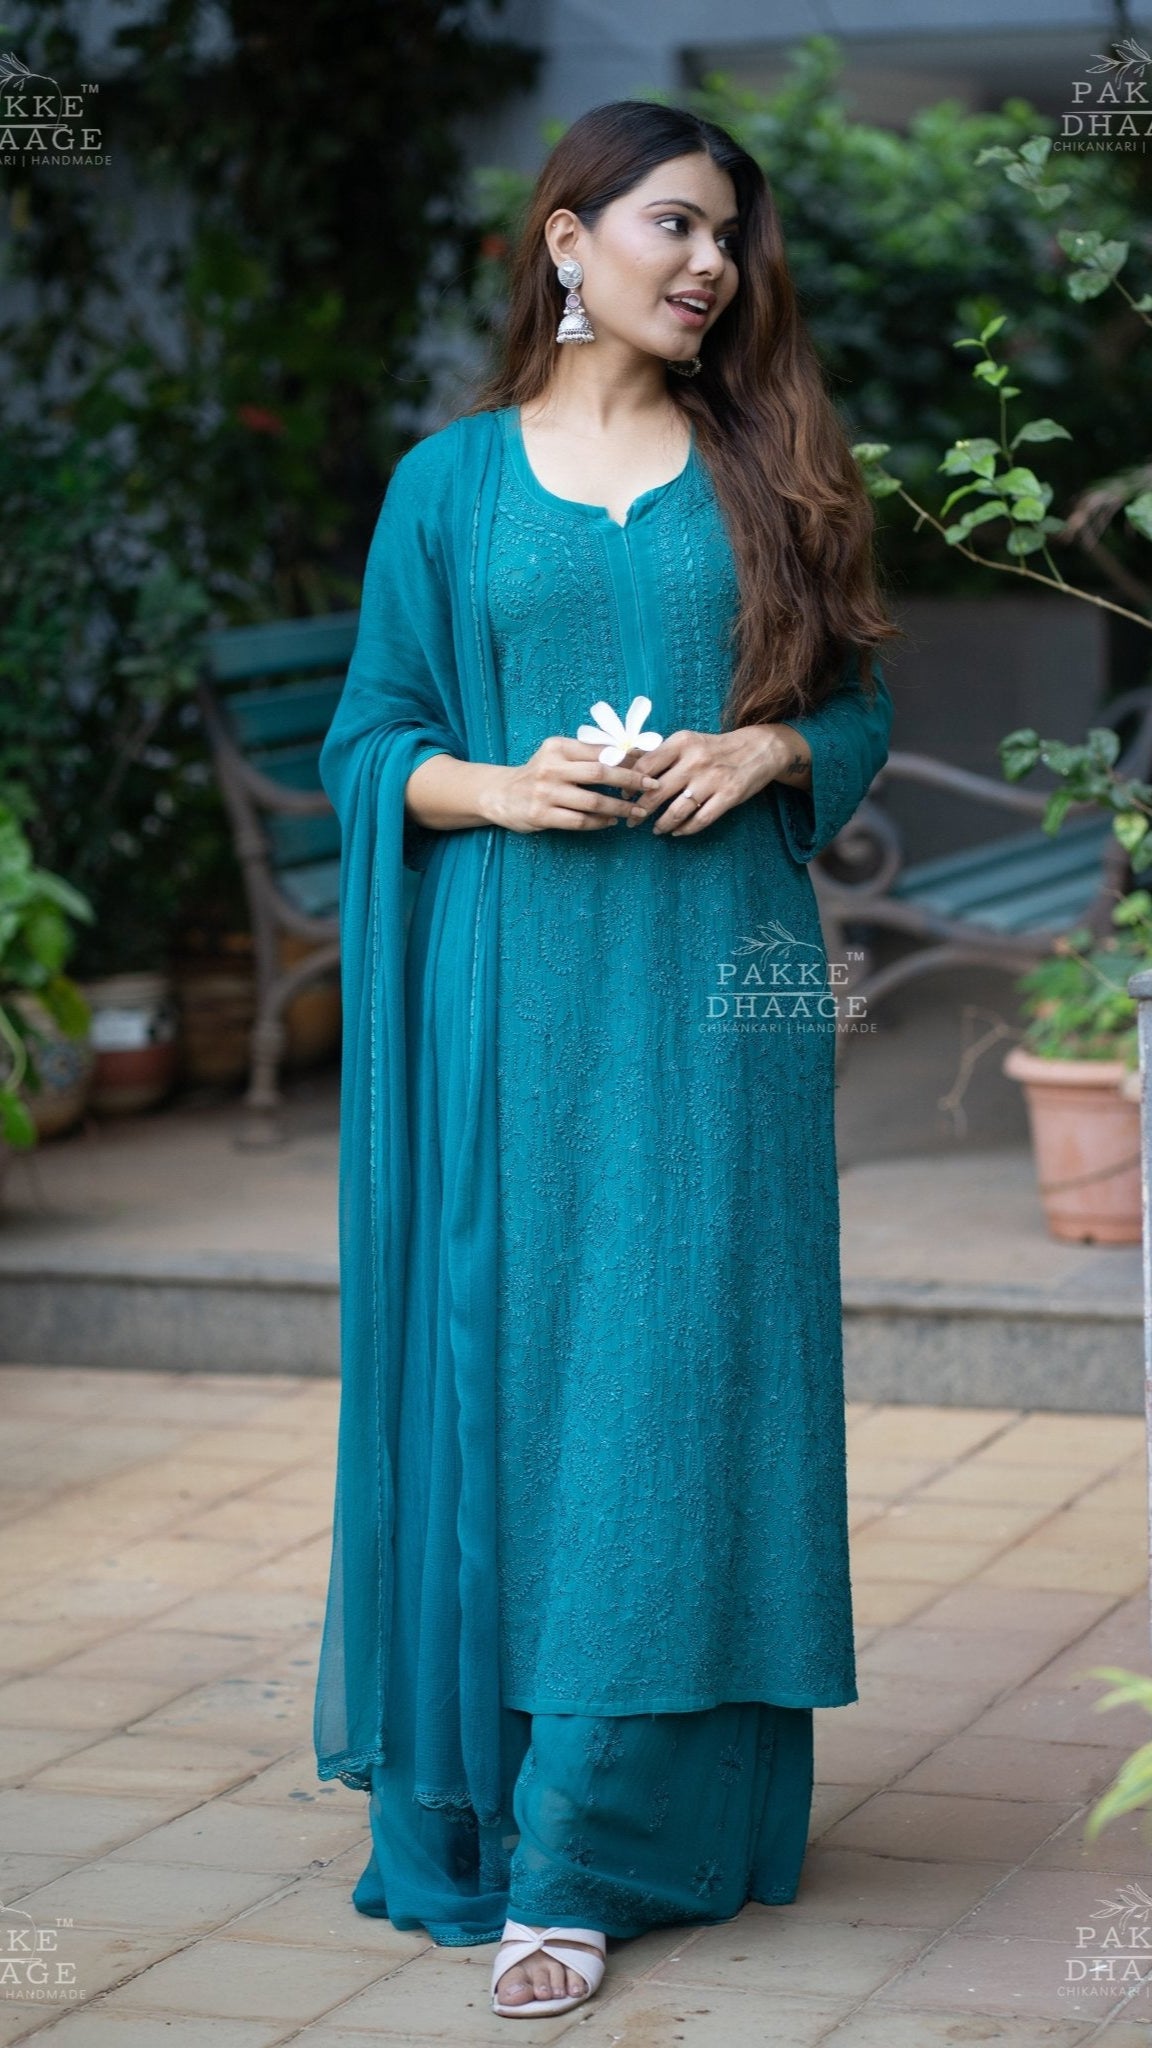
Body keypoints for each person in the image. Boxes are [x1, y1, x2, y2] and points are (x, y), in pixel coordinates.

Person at [313, 97, 898, 2024]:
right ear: (568, 240)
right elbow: (369, 741)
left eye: (729, 236)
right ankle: (513, 1811)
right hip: (509, 1001)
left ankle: (590, 1850)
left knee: (678, 1380)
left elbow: (857, 699)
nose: (710, 264)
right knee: (525, 1381)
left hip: (719, 1000)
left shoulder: (772, 469)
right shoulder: (449, 485)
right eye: (673, 224)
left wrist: (776, 747)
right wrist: (496, 784)